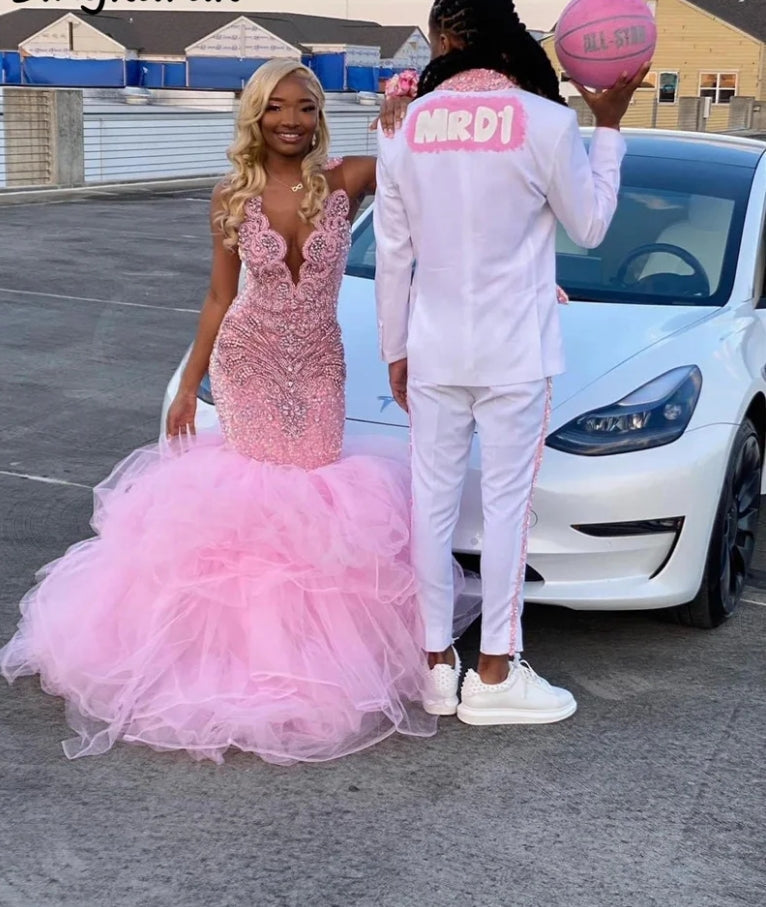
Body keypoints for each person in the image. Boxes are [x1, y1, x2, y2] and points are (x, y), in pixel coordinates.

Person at [0, 59, 475, 765]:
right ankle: (237, 662)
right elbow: (221, 297)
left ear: (320, 116)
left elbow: (439, 172)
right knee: (253, 510)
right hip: (247, 362)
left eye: (305, 107)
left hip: (319, 366)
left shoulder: (348, 178)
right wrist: (189, 383)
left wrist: (407, 116)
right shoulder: (232, 194)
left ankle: (306, 661)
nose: (291, 120)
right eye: (276, 107)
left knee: (313, 507)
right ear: (255, 114)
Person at [374, 0, 649, 725]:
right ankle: (495, 671)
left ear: (444, 39)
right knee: (505, 509)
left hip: (434, 348)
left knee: (431, 505)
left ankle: (435, 666)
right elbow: (591, 225)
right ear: (507, 39)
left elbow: (395, 254)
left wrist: (395, 349)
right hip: (515, 352)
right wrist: (609, 127)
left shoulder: (406, 127)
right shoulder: (547, 122)